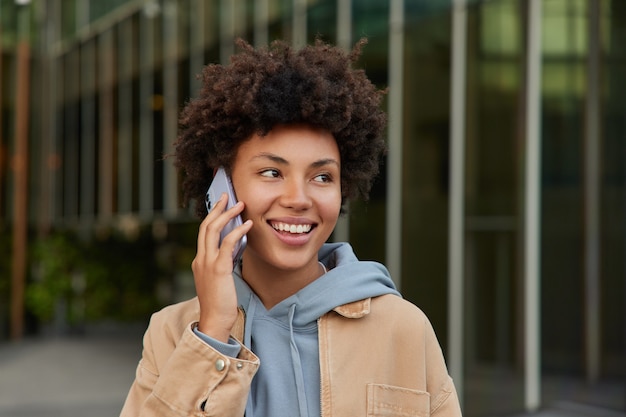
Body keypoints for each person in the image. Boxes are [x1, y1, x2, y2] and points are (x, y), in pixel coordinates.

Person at [120, 38, 462, 417]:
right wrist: (214, 336)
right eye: (271, 172)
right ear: (224, 190)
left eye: (322, 177)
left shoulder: (402, 329)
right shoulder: (173, 332)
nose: (299, 198)